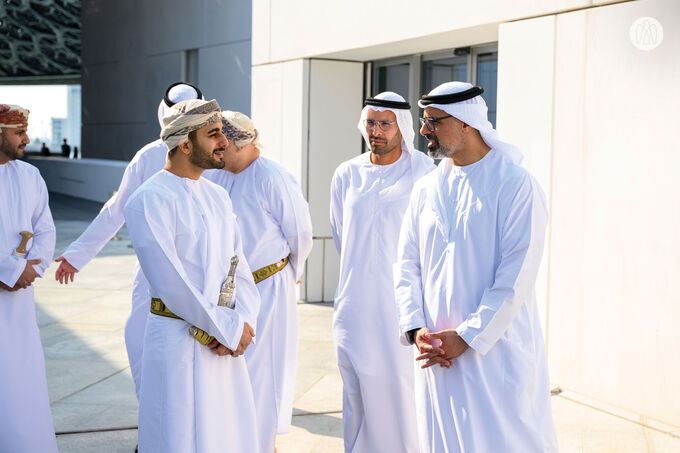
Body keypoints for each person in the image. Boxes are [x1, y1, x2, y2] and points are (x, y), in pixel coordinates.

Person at [394, 81, 558, 452]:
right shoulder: (426, 188)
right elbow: (406, 264)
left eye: (433, 121)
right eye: (423, 121)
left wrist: (468, 336)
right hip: (435, 353)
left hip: (494, 352)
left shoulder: (515, 185)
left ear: (467, 123)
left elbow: (516, 275)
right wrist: (415, 326)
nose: (423, 131)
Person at [124, 98, 261, 452]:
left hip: (222, 345)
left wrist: (243, 322)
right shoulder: (148, 199)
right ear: (185, 144)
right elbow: (171, 283)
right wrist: (226, 329)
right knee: (177, 435)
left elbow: (239, 266)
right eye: (213, 134)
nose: (224, 143)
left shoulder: (217, 196)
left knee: (225, 435)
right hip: (177, 342)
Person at [54, 82, 204, 398]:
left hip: (207, 272)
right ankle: (153, 435)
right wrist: (77, 254)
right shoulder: (149, 156)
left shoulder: (218, 153)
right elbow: (117, 210)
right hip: (153, 272)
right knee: (142, 347)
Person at [329, 92, 435, 452]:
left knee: (401, 392)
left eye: (384, 124)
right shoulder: (347, 173)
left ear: (402, 127)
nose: (376, 131)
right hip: (355, 306)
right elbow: (342, 234)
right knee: (358, 394)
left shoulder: (424, 172)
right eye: (371, 123)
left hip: (401, 308)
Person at [204, 111, 313, 453]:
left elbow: (301, 234)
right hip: (228, 292)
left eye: (224, 144)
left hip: (270, 287)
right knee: (227, 371)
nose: (218, 150)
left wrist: (289, 274)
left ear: (243, 142)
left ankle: (261, 446)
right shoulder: (217, 177)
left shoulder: (274, 176)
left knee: (263, 374)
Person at [0, 104, 58, 452]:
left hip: (19, 305)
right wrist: (8, 270)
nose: (27, 139)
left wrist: (31, 270)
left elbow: (45, 230)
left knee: (21, 383)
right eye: (18, 132)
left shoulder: (30, 176)